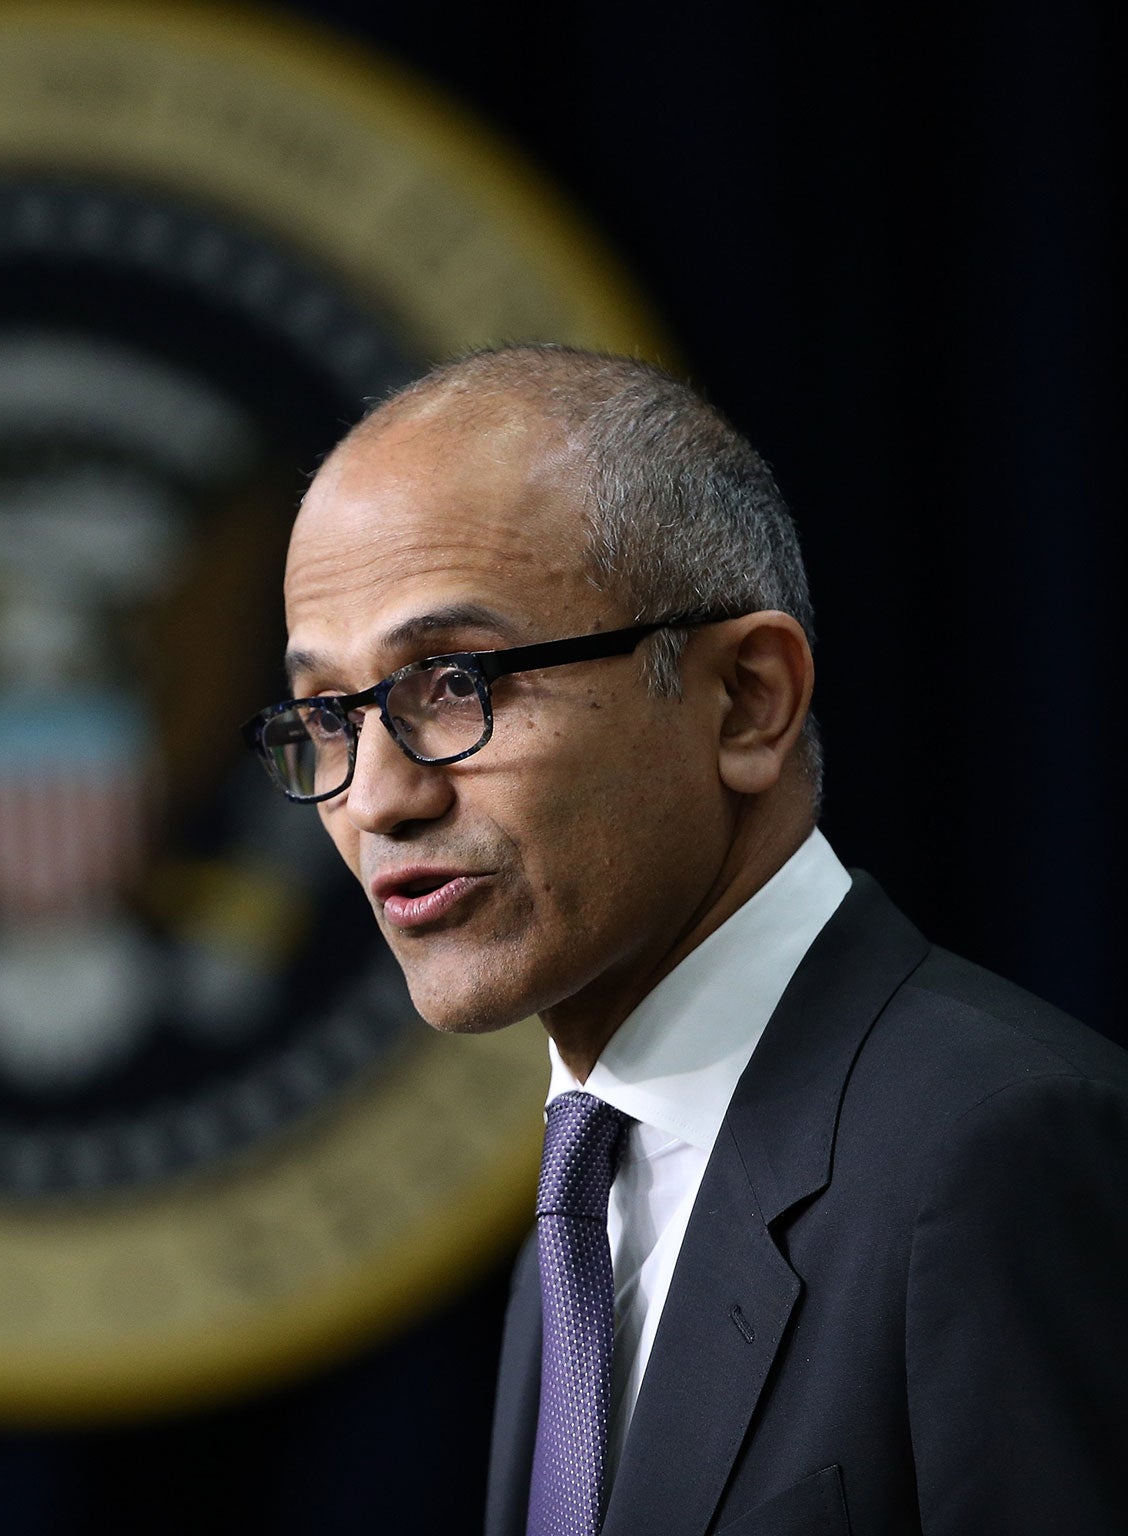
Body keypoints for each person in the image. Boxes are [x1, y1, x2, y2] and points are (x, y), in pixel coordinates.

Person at [244, 345, 1128, 1535]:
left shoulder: (995, 1150)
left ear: (745, 700)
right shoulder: (584, 1197)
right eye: (327, 716)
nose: (373, 800)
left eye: (451, 682)